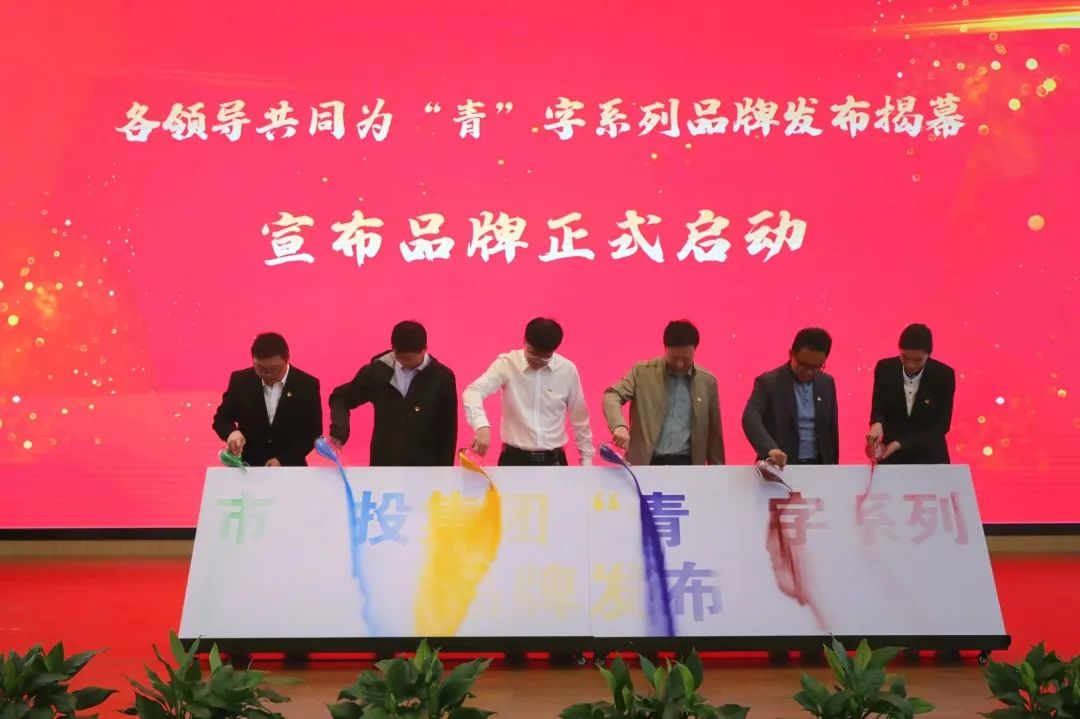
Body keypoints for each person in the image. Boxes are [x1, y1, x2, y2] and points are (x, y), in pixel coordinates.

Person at [464, 317, 594, 466]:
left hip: (554, 460)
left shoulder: (567, 370)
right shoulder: (507, 364)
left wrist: (587, 461)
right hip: (514, 459)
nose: (537, 361)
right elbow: (473, 391)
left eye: (544, 358)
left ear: (554, 350)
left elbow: (580, 419)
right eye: (532, 354)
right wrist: (481, 426)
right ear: (525, 341)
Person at [328, 321, 457, 466]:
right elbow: (340, 397)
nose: (406, 363)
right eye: (401, 358)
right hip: (383, 465)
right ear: (394, 350)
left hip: (426, 468)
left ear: (424, 349)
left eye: (410, 359)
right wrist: (339, 431)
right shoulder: (378, 371)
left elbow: (448, 430)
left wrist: (446, 471)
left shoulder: (441, 377)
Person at [602, 320, 725, 465]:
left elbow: (714, 436)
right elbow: (612, 395)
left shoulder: (707, 382)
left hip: (688, 466)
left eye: (686, 359)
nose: (679, 363)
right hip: (645, 464)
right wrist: (619, 426)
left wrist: (718, 472)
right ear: (665, 349)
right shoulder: (642, 373)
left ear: (695, 350)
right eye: (674, 358)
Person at [212, 332, 322, 467]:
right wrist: (231, 432)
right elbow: (221, 419)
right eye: (260, 368)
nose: (267, 374)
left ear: (287, 359)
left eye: (275, 369)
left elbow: (313, 432)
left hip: (291, 468)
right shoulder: (240, 381)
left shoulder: (307, 385)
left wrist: (283, 460)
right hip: (249, 467)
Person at [742, 327, 839, 467]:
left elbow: (831, 431)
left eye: (816, 367)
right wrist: (770, 449)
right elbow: (750, 416)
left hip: (820, 467)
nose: (808, 372)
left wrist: (834, 468)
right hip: (781, 467)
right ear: (791, 354)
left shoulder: (826, 383)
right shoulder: (769, 382)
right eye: (803, 365)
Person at [866, 323, 956, 464]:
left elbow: (941, 425)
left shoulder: (943, 375)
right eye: (904, 357)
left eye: (918, 360)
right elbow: (879, 408)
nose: (910, 365)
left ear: (928, 355)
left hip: (930, 457)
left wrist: (901, 444)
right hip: (891, 457)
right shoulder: (885, 369)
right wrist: (876, 424)